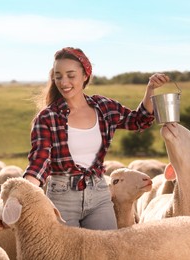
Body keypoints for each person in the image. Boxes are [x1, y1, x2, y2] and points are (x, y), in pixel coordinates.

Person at [23, 47, 169, 230]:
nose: (64, 82)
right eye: (58, 76)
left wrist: (151, 89)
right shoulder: (47, 117)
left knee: (107, 251)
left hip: (99, 193)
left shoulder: (103, 107)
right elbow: (40, 161)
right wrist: (23, 192)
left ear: (85, 76)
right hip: (62, 197)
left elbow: (138, 121)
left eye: (71, 75)